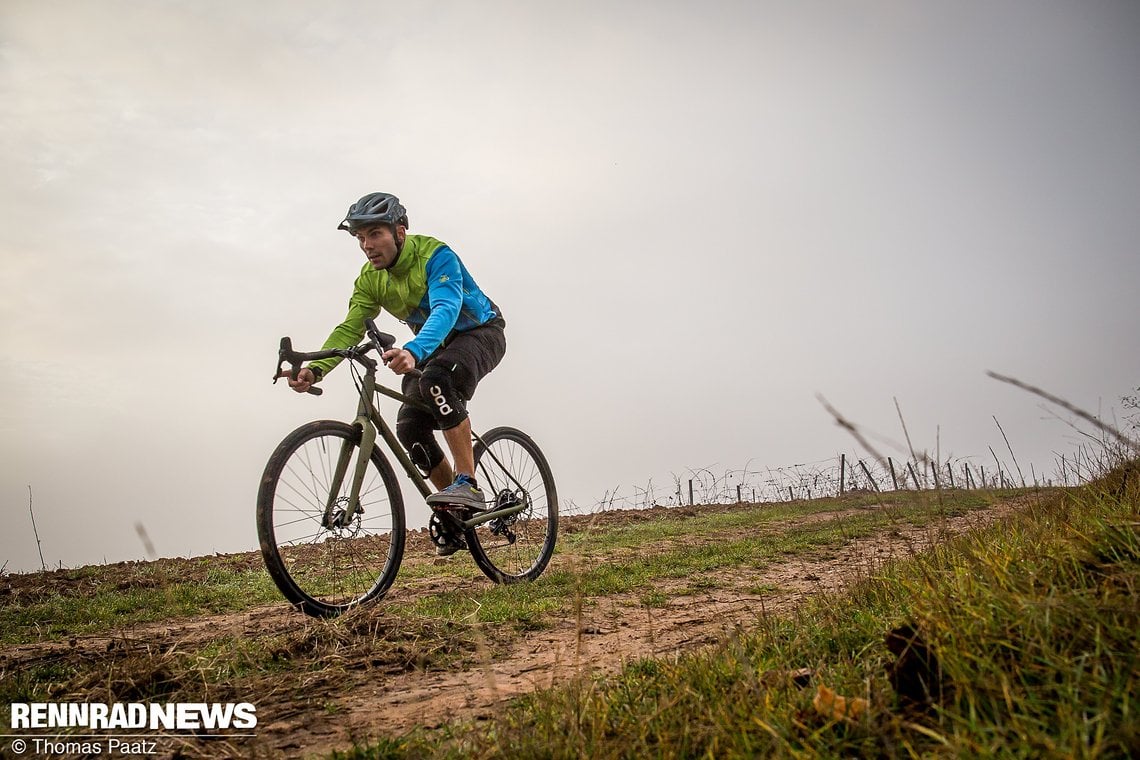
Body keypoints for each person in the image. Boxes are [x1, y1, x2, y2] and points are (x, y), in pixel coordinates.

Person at [281, 192, 506, 552]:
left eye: (375, 234)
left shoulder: (435, 255)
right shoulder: (371, 280)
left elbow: (447, 307)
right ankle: (456, 514)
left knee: (436, 379)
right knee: (409, 425)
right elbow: (350, 327)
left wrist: (414, 350)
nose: (367, 245)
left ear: (400, 231)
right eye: (360, 238)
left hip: (480, 332)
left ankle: (468, 483)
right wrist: (317, 369)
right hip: (438, 347)